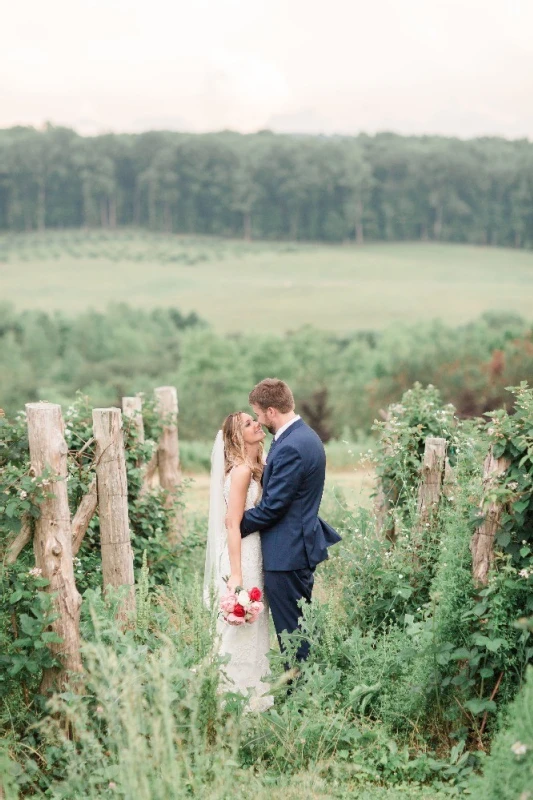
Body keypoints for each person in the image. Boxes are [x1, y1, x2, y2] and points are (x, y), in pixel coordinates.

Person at [240, 378, 341, 667]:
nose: (259, 420)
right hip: (294, 547)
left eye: (259, 413)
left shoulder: (291, 446)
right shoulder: (299, 437)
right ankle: (306, 685)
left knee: (292, 633)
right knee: (298, 627)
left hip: (288, 552)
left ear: (271, 410)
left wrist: (234, 526)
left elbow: (273, 508)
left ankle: (299, 694)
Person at [203, 411, 273, 712]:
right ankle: (234, 699)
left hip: (249, 551)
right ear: (236, 437)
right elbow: (233, 523)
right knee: (242, 626)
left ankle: (251, 696)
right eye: (248, 423)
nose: (256, 423)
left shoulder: (251, 465)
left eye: (254, 419)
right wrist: (235, 574)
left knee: (252, 628)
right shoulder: (242, 471)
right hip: (241, 554)